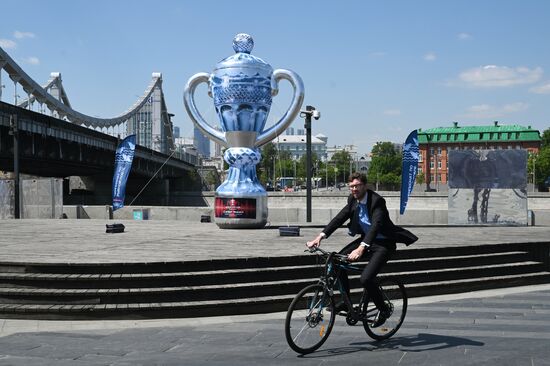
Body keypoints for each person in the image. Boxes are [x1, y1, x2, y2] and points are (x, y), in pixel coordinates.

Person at [307, 172, 417, 327]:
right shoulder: (353, 200)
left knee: (365, 279)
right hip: (366, 241)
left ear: (365, 186)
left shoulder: (377, 201)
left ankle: (383, 309)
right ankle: (346, 302)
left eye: (357, 186)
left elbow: (375, 226)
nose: (354, 189)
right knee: (337, 261)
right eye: (351, 186)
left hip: (384, 244)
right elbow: (339, 218)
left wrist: (361, 248)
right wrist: (320, 237)